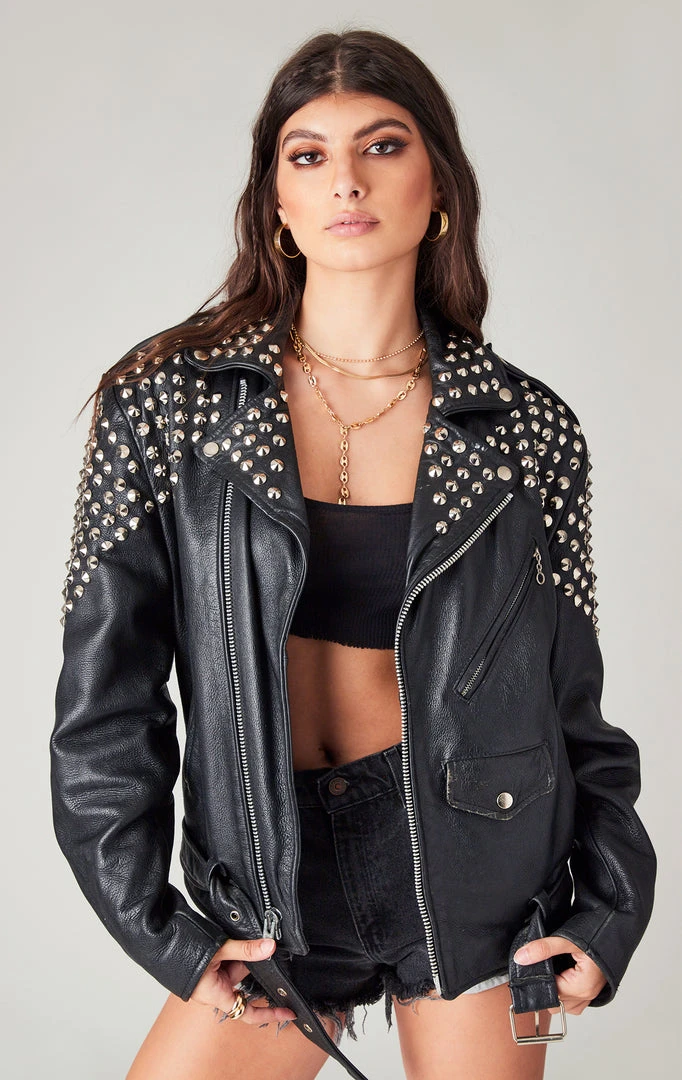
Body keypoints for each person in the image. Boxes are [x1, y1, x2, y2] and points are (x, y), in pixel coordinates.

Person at [50, 27, 657, 1080]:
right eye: (308, 154)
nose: (346, 180)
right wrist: (161, 928)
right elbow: (105, 707)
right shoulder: (167, 407)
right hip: (268, 875)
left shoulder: (526, 431)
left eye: (381, 145)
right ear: (275, 204)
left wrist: (608, 913)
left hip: (474, 868)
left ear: (439, 187)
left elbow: (574, 713)